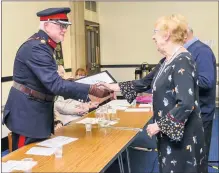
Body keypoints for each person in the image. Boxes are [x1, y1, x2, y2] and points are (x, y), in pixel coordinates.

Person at [99, 14, 207, 173]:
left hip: (182, 136)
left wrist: (159, 125)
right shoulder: (167, 60)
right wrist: (110, 86)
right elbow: (144, 82)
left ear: (166, 35)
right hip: (170, 133)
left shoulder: (183, 60)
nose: (152, 36)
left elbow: (186, 103)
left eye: (155, 32)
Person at [2, 7, 112, 151]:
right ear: (46, 25)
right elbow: (55, 84)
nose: (64, 29)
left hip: (37, 112)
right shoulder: (36, 48)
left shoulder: (44, 47)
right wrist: (93, 90)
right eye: (61, 25)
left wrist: (85, 86)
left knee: (40, 158)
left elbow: (52, 81)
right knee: (25, 160)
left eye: (66, 25)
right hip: (27, 115)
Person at [184, 27, 217, 162]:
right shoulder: (187, 51)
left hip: (201, 114)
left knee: (198, 160)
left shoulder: (202, 51)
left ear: (184, 35)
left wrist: (179, 79)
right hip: (188, 113)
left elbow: (206, 81)